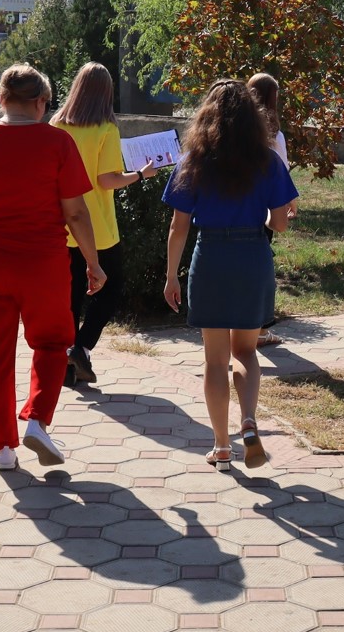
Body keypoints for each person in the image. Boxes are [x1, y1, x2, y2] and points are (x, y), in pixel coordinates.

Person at [0, 64, 106, 471]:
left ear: (2, 98)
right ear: (39, 102)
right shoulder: (58, 143)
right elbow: (77, 214)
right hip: (44, 265)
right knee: (53, 343)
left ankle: (2, 449)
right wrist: (92, 261)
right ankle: (36, 419)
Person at [161, 80, 299, 470]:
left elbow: (178, 225)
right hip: (253, 255)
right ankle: (250, 422)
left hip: (212, 256)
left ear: (207, 115)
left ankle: (222, 447)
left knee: (214, 360)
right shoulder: (268, 160)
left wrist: (172, 275)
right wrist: (276, 216)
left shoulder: (194, 159)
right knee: (246, 353)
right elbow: (280, 224)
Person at [50, 62, 157, 385]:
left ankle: (67, 365)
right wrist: (141, 174)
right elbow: (107, 180)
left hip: (63, 224)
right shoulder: (106, 129)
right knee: (109, 291)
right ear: (106, 93)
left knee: (69, 298)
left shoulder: (56, 124)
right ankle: (81, 347)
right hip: (98, 228)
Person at [246, 72, 295, 348]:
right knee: (262, 267)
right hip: (267, 207)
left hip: (240, 203)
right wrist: (290, 199)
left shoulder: (240, 128)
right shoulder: (274, 132)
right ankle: (261, 329)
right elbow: (282, 169)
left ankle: (238, 325)